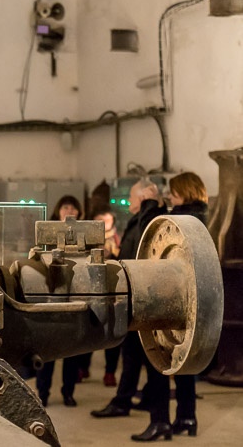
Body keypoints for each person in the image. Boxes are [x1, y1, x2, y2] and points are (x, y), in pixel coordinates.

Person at [133, 172, 209, 442]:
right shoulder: (202, 217)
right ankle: (187, 417)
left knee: (159, 362)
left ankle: (160, 421)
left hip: (168, 297)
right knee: (183, 362)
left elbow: (148, 237)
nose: (170, 197)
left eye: (174, 194)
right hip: (193, 302)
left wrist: (149, 205)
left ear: (185, 193)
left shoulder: (181, 219)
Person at [90, 179, 167, 429]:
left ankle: (156, 416)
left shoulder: (149, 217)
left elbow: (145, 246)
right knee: (132, 354)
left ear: (144, 197)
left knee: (147, 357)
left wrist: (150, 204)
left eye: (133, 197)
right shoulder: (138, 219)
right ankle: (125, 400)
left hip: (144, 297)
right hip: (135, 295)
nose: (129, 201)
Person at [36, 195, 83, 407]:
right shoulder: (48, 232)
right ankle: (43, 393)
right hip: (50, 295)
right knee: (47, 349)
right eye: (65, 207)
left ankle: (68, 392)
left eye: (73, 207)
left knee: (72, 352)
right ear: (58, 210)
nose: (69, 211)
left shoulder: (84, 233)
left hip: (75, 294)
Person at [93, 208, 121, 387]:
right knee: (89, 329)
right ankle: (82, 367)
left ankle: (110, 372)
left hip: (114, 286)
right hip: (91, 286)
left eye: (107, 221)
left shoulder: (118, 239)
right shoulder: (88, 237)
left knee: (112, 331)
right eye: (99, 220)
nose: (103, 225)